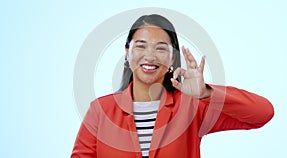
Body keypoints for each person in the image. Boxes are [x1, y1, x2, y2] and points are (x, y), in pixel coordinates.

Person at [71, 14, 274, 158]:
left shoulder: (191, 107)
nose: (149, 56)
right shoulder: (101, 110)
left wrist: (205, 93)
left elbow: (262, 113)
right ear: (127, 52)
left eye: (160, 48)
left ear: (173, 58)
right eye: (141, 46)